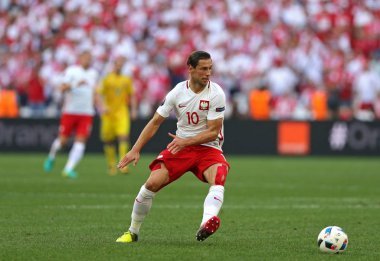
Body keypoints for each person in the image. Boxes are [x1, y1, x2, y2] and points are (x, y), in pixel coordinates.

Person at [115, 51, 230, 243]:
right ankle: (132, 232)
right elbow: (154, 122)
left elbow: (213, 132)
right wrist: (135, 149)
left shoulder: (216, 93)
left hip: (208, 148)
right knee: (151, 184)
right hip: (181, 148)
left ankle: (207, 222)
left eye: (210, 68)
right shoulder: (177, 92)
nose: (208, 73)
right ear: (190, 69)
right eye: (203, 68)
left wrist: (185, 141)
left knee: (219, 177)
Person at [43, 50, 98, 178]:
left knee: (81, 141)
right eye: (85, 58)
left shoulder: (93, 74)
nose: (87, 60)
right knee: (62, 142)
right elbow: (61, 88)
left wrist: (101, 105)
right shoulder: (72, 71)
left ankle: (68, 169)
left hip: (86, 113)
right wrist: (75, 84)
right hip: (70, 111)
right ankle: (51, 157)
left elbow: (95, 92)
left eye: (89, 58)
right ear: (80, 58)